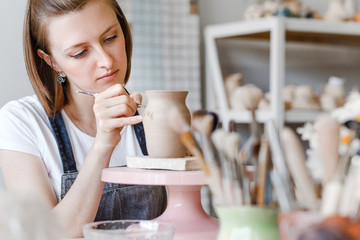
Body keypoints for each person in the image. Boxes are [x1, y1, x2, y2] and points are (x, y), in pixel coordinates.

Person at [0, 0, 166, 237]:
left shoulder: (153, 118)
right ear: (51, 60)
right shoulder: (22, 121)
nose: (106, 61)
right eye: (80, 53)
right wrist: (103, 144)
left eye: (110, 38)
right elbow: (45, 235)